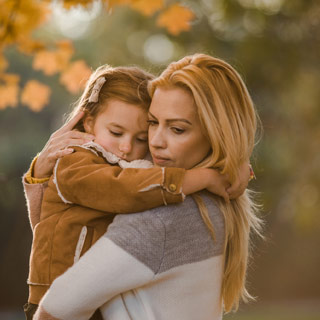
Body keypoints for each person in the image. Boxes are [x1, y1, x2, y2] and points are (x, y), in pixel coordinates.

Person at [24, 53, 261, 320]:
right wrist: (41, 177)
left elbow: (57, 306)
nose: (154, 143)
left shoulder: (162, 214)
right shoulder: (210, 202)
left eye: (178, 129)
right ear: (89, 123)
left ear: (216, 134)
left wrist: (227, 166)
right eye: (153, 123)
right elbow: (65, 225)